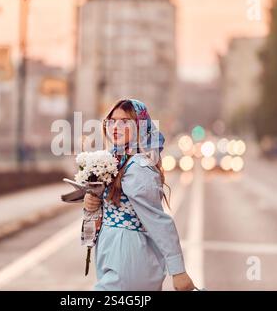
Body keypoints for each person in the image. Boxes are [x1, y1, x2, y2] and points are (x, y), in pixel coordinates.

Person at [83, 98, 195, 291]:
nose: (116, 127)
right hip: (112, 251)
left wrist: (178, 270)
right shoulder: (114, 161)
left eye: (125, 121)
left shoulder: (138, 167)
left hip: (129, 254)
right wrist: (92, 202)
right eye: (112, 121)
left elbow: (158, 221)